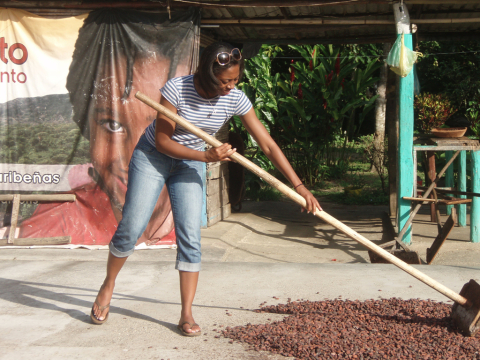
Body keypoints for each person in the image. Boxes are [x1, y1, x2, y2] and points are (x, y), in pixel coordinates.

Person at [90, 42, 322, 336]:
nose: (231, 87)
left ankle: (186, 313)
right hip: (154, 157)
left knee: (190, 234)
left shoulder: (234, 98)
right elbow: (163, 142)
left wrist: (299, 185)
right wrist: (206, 157)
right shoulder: (176, 89)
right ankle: (108, 285)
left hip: (189, 164)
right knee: (132, 226)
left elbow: (267, 144)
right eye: (226, 82)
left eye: (235, 80)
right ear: (209, 76)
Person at [18, 9, 199, 246]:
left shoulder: (188, 221)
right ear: (87, 128)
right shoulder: (56, 223)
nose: (135, 154)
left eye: (164, 126)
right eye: (112, 125)